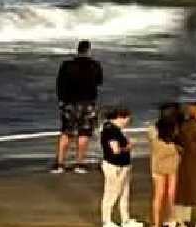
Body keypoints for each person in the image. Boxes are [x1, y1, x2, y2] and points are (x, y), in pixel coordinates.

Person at [54, 40, 104, 173]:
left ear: (77, 50)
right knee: (84, 133)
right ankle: (79, 164)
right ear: (88, 50)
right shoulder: (94, 65)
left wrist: (61, 101)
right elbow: (99, 82)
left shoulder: (67, 65)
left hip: (69, 102)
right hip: (87, 102)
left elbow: (60, 84)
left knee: (66, 133)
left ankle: (60, 163)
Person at [99, 107, 141, 227]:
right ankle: (107, 221)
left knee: (124, 193)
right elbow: (115, 150)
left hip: (122, 165)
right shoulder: (111, 130)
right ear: (120, 117)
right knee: (112, 193)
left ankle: (125, 220)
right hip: (115, 166)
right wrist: (128, 147)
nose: (128, 121)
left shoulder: (111, 128)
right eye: (127, 119)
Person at [148, 103, 182, 227]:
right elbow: (177, 148)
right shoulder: (176, 129)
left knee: (159, 194)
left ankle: (157, 223)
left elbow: (156, 146)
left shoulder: (153, 129)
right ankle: (172, 219)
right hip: (172, 163)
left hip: (158, 164)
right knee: (171, 194)